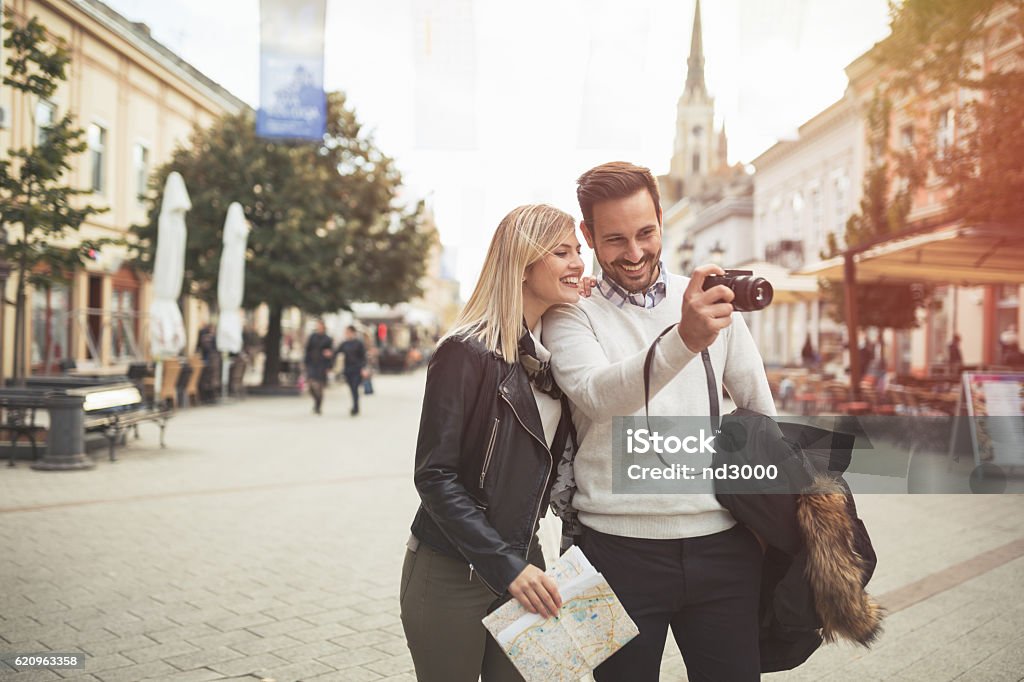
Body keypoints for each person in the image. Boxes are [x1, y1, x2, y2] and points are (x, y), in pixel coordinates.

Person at [543, 162, 774, 681]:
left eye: (646, 233)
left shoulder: (709, 301)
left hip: (724, 549)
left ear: (662, 219)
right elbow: (598, 394)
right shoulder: (570, 314)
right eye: (615, 239)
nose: (635, 253)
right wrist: (685, 339)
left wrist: (766, 524)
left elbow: (761, 411)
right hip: (610, 553)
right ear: (588, 236)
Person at [401, 204, 592, 682]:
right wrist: (506, 566)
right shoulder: (463, 352)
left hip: (527, 563)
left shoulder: (550, 356)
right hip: (451, 570)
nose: (578, 263)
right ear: (524, 264)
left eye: (579, 252)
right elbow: (435, 476)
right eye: (563, 252)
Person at [303, 320, 333, 415]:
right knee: (310, 384)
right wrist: (305, 362)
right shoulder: (312, 337)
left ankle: (318, 406)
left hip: (322, 364)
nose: (318, 328)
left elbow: (331, 353)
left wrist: (329, 366)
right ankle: (316, 401)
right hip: (312, 363)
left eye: (320, 326)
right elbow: (307, 350)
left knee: (320, 386)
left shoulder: (328, 339)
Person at [336, 326, 368, 416]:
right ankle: (355, 405)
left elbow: (363, 357)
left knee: (355, 387)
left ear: (353, 332)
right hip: (348, 369)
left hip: (357, 369)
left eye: (348, 332)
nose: (347, 334)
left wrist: (364, 368)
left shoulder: (359, 343)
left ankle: (355, 407)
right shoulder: (344, 344)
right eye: (346, 332)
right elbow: (336, 352)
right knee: (352, 388)